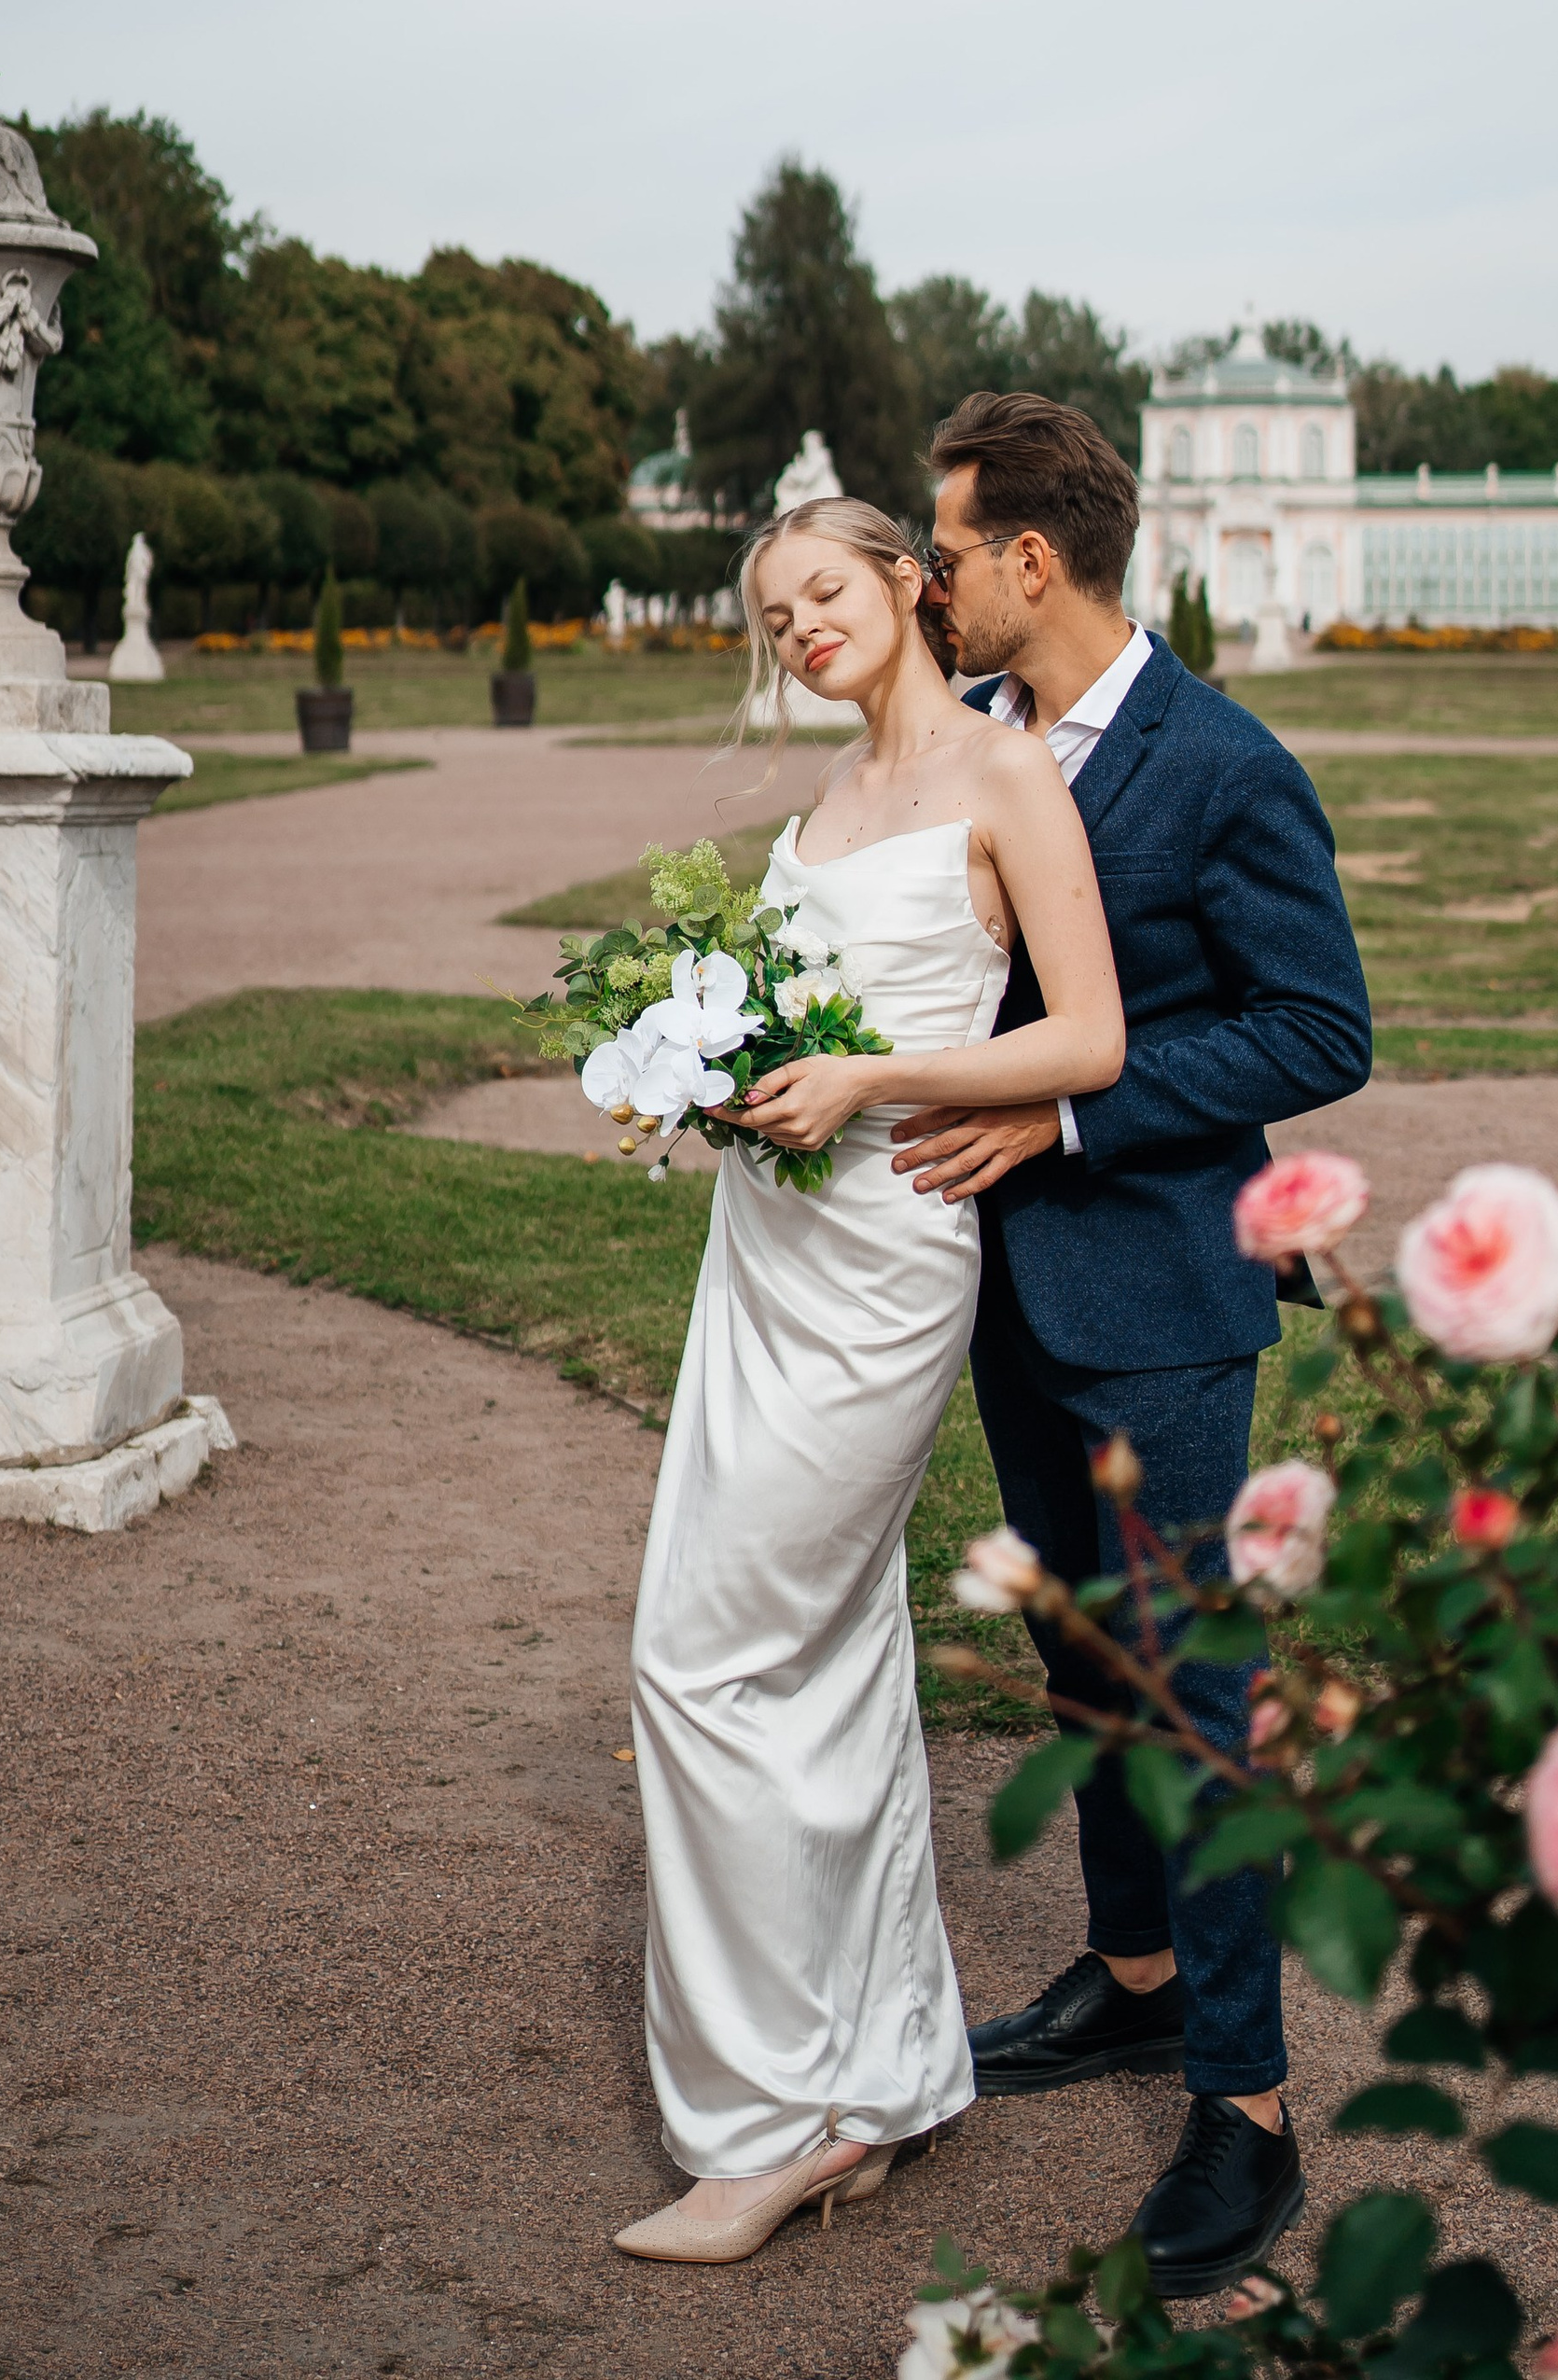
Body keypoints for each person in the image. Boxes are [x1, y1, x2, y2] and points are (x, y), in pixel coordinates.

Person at [889, 390, 1370, 2302]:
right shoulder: (966, 736)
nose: (927, 581)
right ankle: (1139, 1973)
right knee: (1082, 1660)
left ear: (1032, 557)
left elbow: (1316, 1028)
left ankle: (1247, 2106)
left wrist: (1074, 1114)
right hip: (1004, 1290)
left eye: (945, 550)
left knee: (1193, 1692)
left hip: (1162, 1297)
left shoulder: (1223, 764)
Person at [613, 495, 1127, 2267]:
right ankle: (875, 2082)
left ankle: (767, 2125)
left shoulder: (1008, 773)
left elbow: (1089, 1036)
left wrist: (867, 1082)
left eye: (823, 593)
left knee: (702, 1657)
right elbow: (790, 1024)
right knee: (820, 1658)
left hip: (887, 1262)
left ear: (909, 581)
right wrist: (709, 1073)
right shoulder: (824, 801)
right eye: (774, 617)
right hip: (762, 1258)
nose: (801, 630)